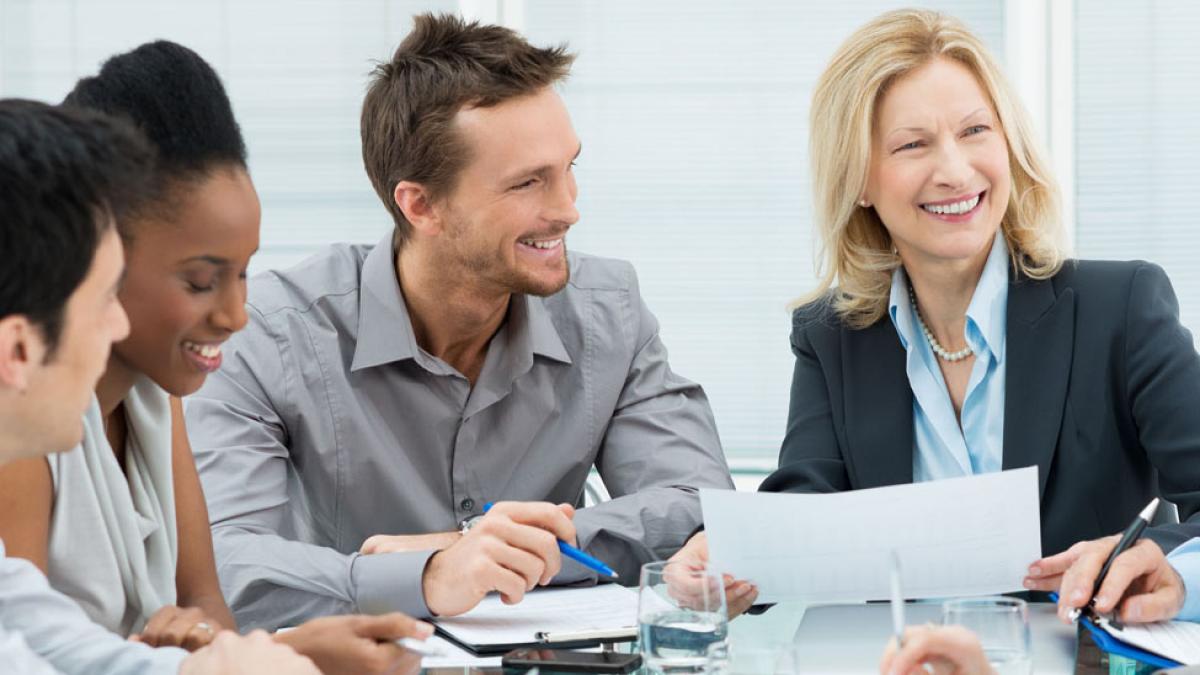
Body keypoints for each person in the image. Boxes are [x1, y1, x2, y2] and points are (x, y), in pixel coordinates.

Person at [184, 12, 732, 629]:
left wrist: (470, 546)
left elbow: (699, 508)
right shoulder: (267, 333)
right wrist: (432, 575)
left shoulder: (610, 311)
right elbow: (223, 568)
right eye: (528, 183)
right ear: (420, 205)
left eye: (569, 167)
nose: (568, 209)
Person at [672, 5, 1200, 620]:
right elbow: (804, 514)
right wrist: (724, 556)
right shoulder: (831, 335)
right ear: (859, 181)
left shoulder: (1122, 309)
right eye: (912, 144)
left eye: (975, 131)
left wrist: (1170, 569)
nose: (954, 170)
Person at [0, 42, 430, 674]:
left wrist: (228, 658)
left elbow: (46, 632)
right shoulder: (24, 426)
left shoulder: (150, 393)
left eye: (246, 274)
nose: (236, 316)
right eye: (201, 281)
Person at [0, 99, 319, 674]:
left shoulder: (152, 396)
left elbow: (40, 631)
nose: (117, 323)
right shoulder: (23, 443)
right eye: (103, 299)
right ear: (18, 351)